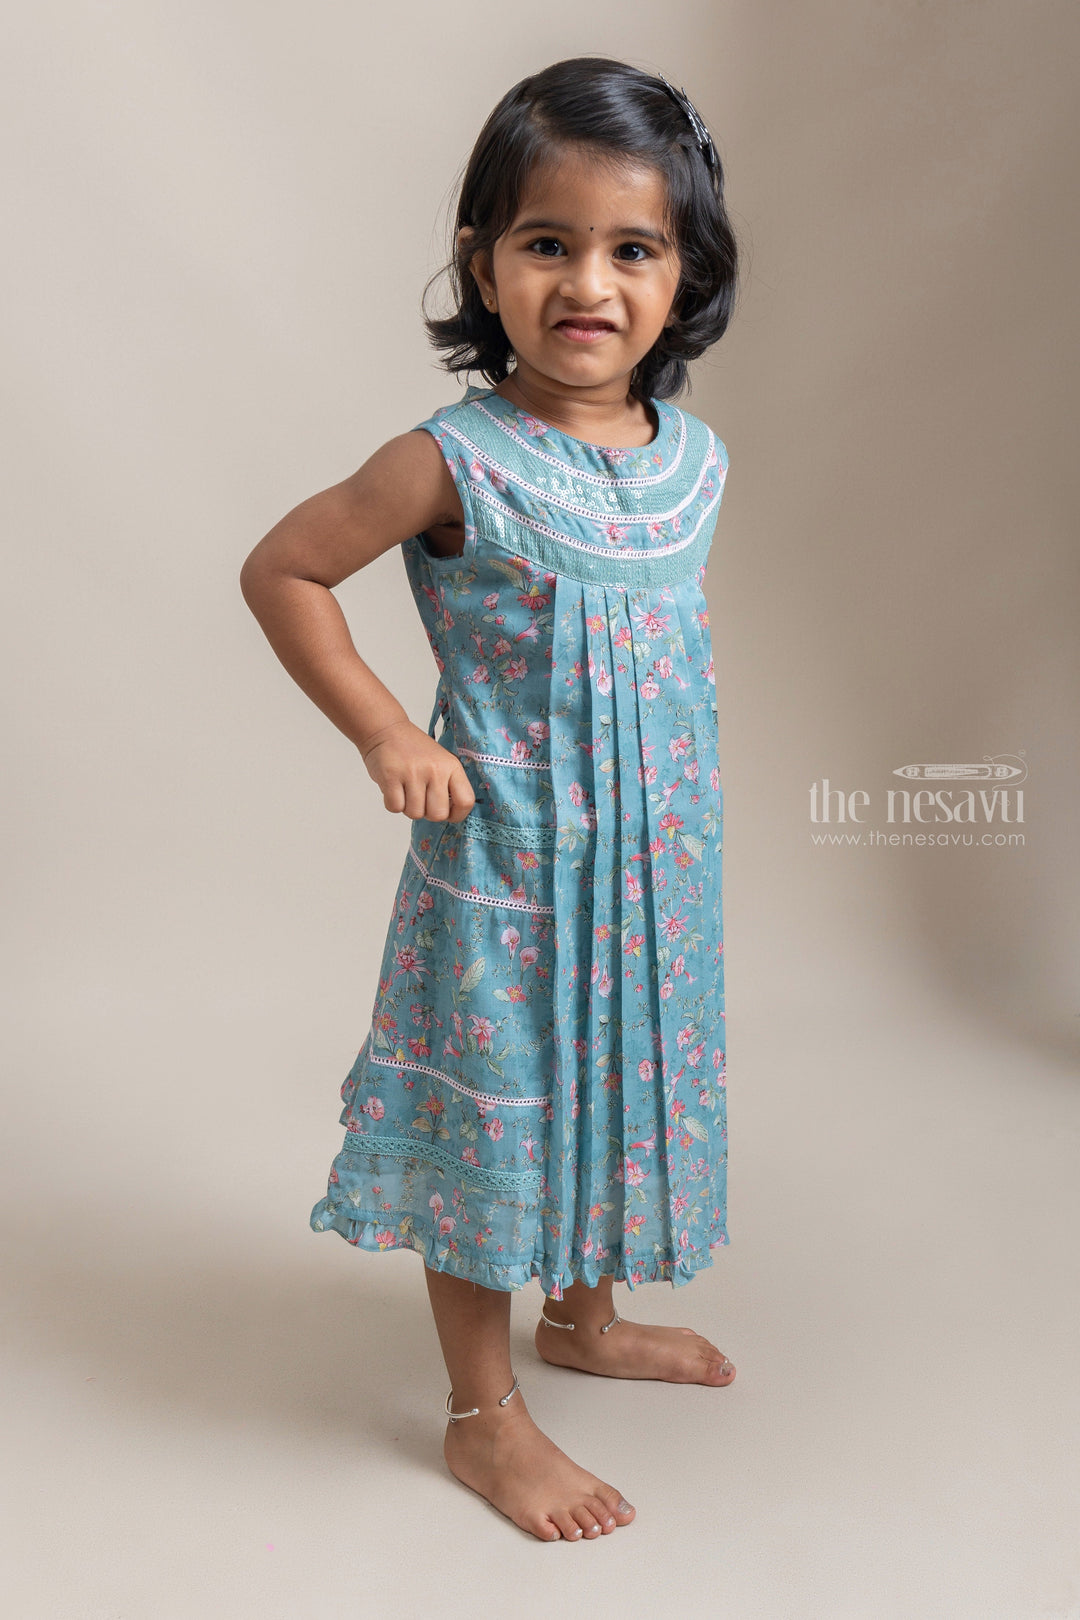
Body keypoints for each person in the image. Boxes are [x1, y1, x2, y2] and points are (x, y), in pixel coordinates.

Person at [240, 54, 741, 1544]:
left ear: (684, 274)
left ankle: (585, 1317)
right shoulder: (450, 461)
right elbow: (285, 569)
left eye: (632, 249)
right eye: (547, 242)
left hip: (653, 878)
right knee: (500, 1120)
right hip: (509, 871)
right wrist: (387, 729)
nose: (588, 283)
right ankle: (483, 1417)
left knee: (614, 1085)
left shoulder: (696, 462)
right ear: (484, 262)